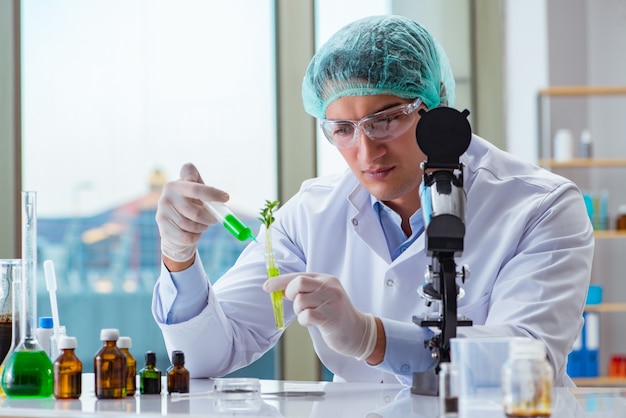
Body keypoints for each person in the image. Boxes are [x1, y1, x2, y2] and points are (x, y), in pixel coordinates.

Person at [152, 15, 594, 386]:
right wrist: (179, 260)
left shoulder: (541, 206)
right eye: (343, 129)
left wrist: (374, 338)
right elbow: (206, 357)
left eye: (385, 121)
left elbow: (528, 363)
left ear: (435, 109)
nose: (366, 153)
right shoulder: (310, 214)